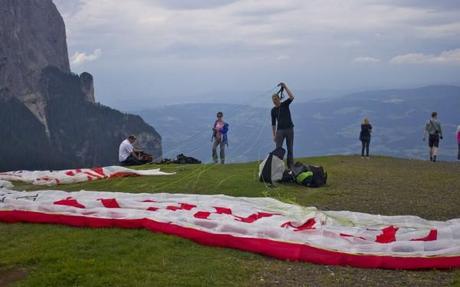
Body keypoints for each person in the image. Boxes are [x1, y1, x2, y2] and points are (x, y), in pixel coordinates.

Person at [271, 82, 295, 169]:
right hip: (280, 131)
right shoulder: (273, 110)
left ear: (279, 99)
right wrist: (274, 135)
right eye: (273, 101)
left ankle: (291, 166)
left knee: (290, 149)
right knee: (278, 149)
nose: (274, 102)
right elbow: (273, 124)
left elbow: (292, 97)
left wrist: (285, 87)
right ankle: (278, 167)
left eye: (276, 100)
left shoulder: (285, 104)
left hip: (289, 129)